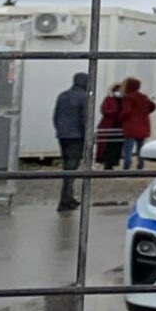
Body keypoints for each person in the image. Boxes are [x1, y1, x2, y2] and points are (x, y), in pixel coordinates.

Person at [51, 72, 91, 211]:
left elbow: (56, 116)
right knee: (72, 168)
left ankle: (68, 197)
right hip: (77, 137)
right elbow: (84, 119)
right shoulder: (84, 97)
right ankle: (66, 199)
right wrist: (88, 137)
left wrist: (60, 130)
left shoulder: (63, 96)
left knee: (67, 167)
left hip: (63, 136)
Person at [119, 77, 155, 171]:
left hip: (130, 126)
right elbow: (153, 106)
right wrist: (144, 113)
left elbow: (126, 111)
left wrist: (120, 118)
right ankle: (140, 165)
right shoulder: (143, 97)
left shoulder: (128, 97)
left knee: (128, 149)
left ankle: (126, 167)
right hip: (143, 126)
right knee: (141, 148)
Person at [94, 80, 125, 170]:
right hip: (108, 126)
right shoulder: (108, 99)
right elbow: (104, 110)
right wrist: (115, 112)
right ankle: (107, 163)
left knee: (117, 146)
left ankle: (114, 162)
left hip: (120, 126)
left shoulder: (125, 100)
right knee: (107, 146)